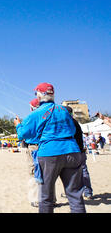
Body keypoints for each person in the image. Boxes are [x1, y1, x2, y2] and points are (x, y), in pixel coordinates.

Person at [15, 82, 85, 213]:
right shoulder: (64, 110)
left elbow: (22, 134)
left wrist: (18, 124)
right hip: (72, 150)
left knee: (45, 197)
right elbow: (72, 129)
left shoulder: (36, 113)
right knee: (75, 196)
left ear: (40, 95)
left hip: (50, 153)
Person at [65, 106, 94, 200]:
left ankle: (74, 192)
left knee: (71, 173)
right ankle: (88, 192)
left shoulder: (68, 123)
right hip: (80, 150)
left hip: (73, 151)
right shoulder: (75, 122)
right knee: (83, 171)